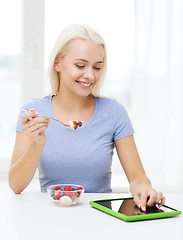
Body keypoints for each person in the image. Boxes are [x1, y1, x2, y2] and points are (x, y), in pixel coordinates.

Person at [8, 24, 165, 211]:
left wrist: (145, 190)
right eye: (80, 65)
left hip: (100, 220)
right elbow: (16, 185)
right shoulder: (33, 113)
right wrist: (37, 142)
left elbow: (138, 178)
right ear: (57, 63)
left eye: (97, 67)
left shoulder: (114, 112)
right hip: (49, 220)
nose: (90, 75)